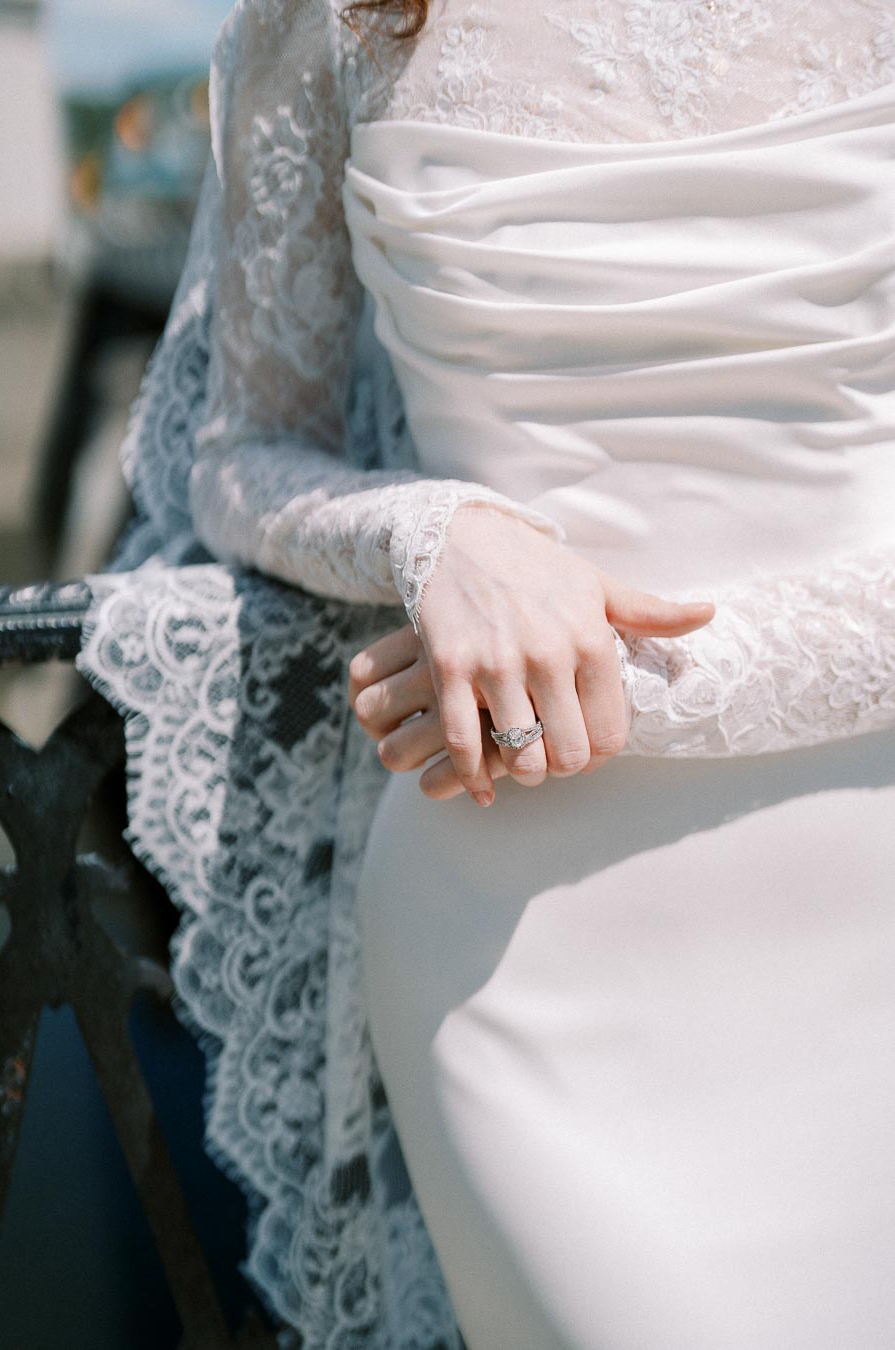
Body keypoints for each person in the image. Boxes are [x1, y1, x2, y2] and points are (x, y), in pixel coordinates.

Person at [77, 0, 895, 1346]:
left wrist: (623, 684)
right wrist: (434, 533)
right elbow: (237, 454)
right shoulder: (336, 15)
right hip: (521, 956)